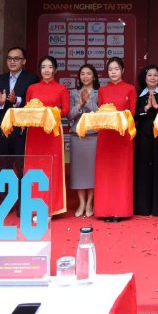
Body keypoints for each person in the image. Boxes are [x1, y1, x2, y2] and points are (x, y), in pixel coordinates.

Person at [24, 55, 69, 220]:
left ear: (55, 70)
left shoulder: (61, 89)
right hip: (35, 133)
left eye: (50, 67)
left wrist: (51, 111)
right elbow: (27, 109)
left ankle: (50, 208)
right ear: (39, 70)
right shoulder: (32, 88)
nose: (46, 70)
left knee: (52, 168)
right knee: (33, 167)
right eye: (43, 67)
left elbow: (65, 111)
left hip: (52, 132)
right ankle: (34, 208)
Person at [95, 57, 137, 221]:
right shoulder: (102, 90)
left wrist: (119, 117)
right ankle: (105, 210)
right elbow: (100, 112)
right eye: (110, 69)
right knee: (106, 172)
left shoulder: (130, 89)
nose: (113, 72)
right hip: (106, 135)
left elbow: (132, 113)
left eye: (116, 69)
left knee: (121, 172)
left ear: (123, 70)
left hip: (122, 135)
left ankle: (121, 210)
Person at [0, 47, 39, 183]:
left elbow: (34, 103)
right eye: (10, 58)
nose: (12, 61)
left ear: (24, 61)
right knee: (2, 166)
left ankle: (22, 195)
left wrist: (16, 100)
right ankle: (4, 195)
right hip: (2, 130)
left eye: (16, 59)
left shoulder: (32, 79)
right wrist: (0, 102)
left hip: (21, 131)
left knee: (22, 166)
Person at [134, 64, 158, 217]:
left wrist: (157, 107)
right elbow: (133, 116)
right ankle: (143, 208)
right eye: (149, 75)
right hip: (143, 135)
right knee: (143, 170)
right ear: (144, 77)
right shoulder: (137, 94)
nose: (152, 78)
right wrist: (146, 109)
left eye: (155, 75)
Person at [67, 64, 99, 217]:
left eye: (88, 73)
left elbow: (100, 113)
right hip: (77, 136)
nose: (85, 77)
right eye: (82, 74)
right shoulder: (74, 93)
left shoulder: (99, 93)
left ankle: (89, 203)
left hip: (93, 136)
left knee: (91, 172)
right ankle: (81, 203)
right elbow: (69, 115)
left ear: (94, 76)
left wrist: (88, 102)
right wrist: (80, 104)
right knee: (79, 172)